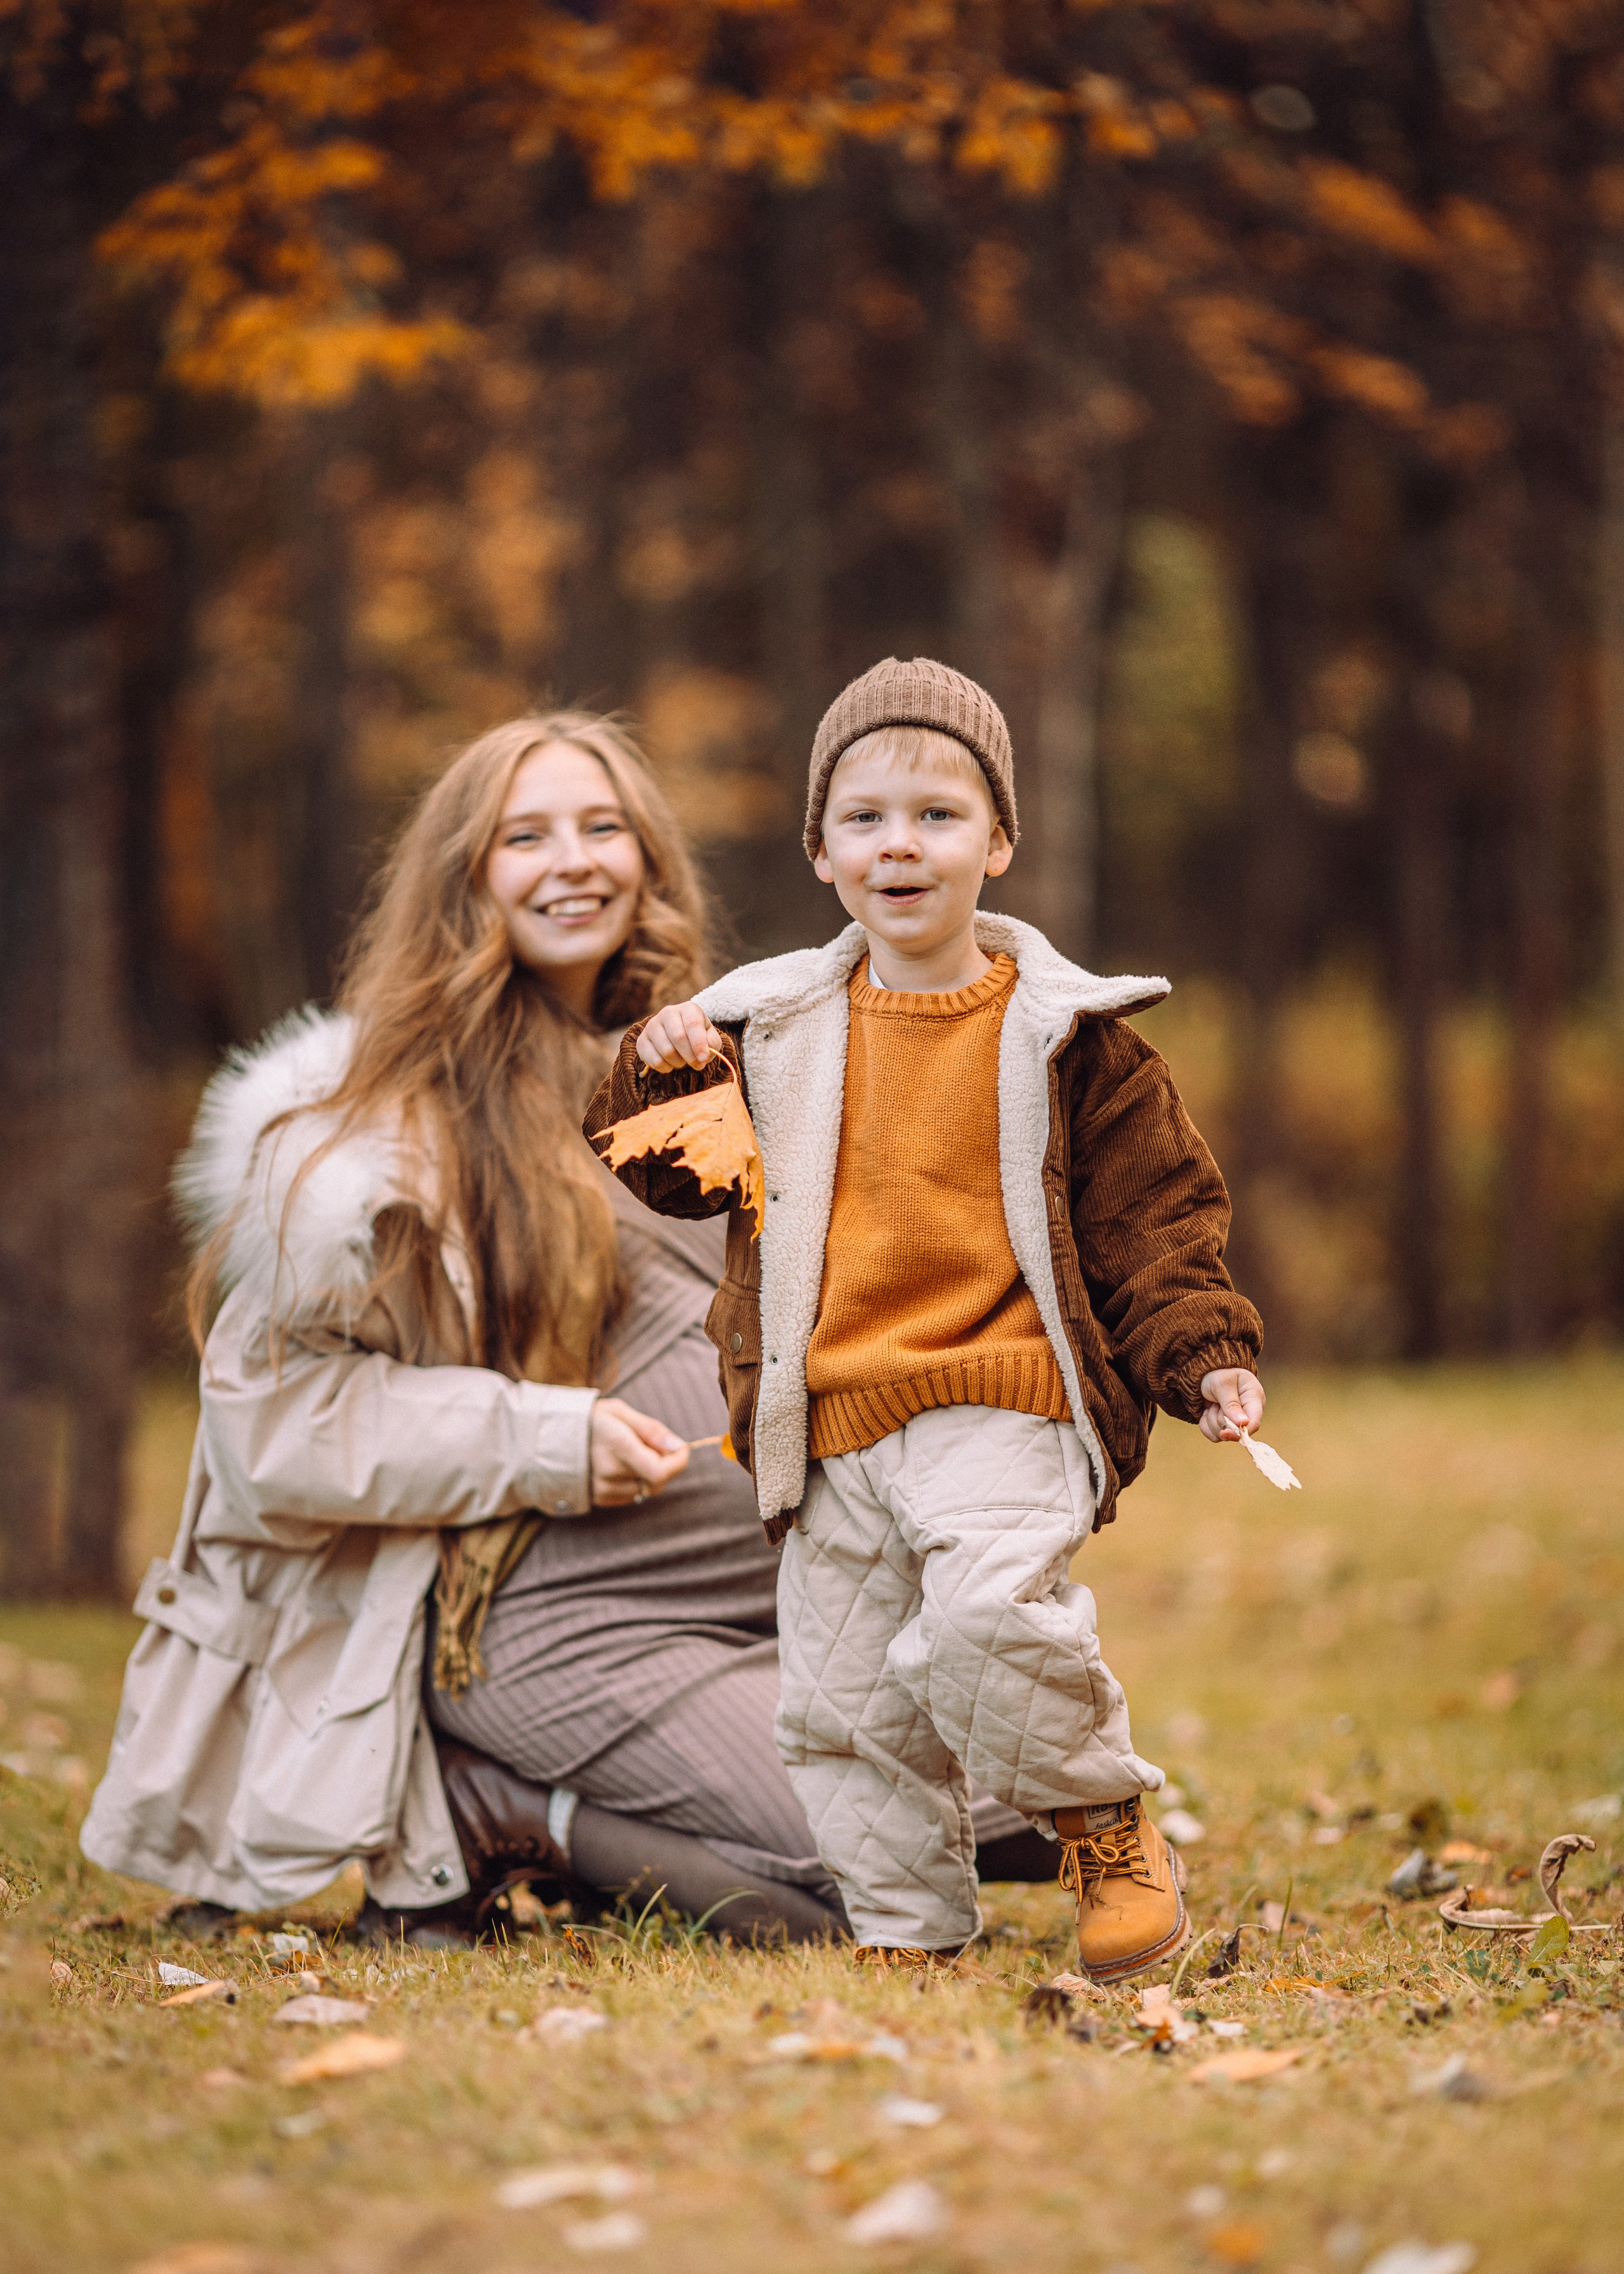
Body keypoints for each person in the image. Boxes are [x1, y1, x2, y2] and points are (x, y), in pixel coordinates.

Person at [81, 709, 1045, 1949]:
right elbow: (279, 1428)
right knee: (914, 1853)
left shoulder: (701, 1058)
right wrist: (545, 1433)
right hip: (558, 1624)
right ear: (463, 879)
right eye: (524, 836)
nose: (573, 859)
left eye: (603, 827)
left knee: (1032, 1792)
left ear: (648, 857)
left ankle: (655, 1819)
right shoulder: (369, 1126)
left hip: (775, 1600)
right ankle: (503, 1803)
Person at [587, 657, 1266, 1980]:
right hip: (825, 1413)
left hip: (1001, 1392)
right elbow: (680, 1176)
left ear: (997, 842)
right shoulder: (767, 1027)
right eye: (865, 818)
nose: (901, 843)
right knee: (843, 1706)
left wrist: (1203, 1357)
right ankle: (906, 1929)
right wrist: (658, 1071)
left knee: (983, 1614)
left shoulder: (1071, 1036)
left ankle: (1102, 1821)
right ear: (823, 853)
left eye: (939, 814)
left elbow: (1156, 1222)